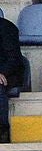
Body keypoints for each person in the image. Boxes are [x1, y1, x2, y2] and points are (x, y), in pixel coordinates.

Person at [0, 10, 19, 143]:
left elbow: (14, 59)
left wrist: (2, 72)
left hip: (7, 74)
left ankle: (2, 130)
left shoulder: (6, 28)